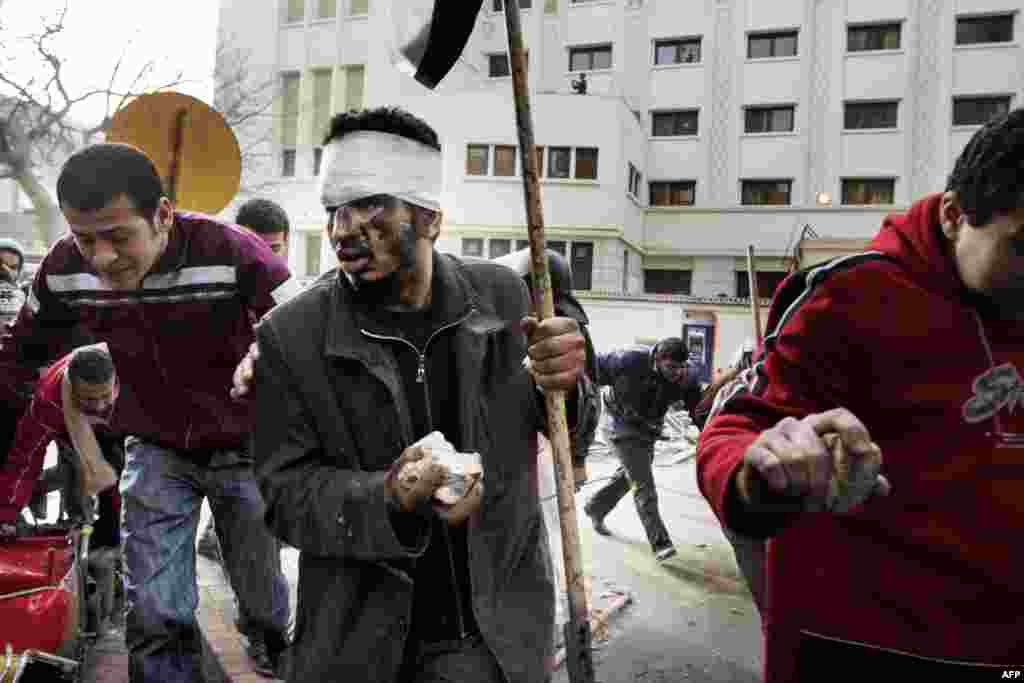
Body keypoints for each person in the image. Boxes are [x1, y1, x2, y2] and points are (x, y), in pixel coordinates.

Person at [230, 106, 593, 683]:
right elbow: (283, 498)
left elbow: (566, 427)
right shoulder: (290, 335)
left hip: (493, 634)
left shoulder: (506, 298)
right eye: (333, 210)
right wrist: (391, 497)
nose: (343, 229)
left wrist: (569, 384)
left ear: (429, 218)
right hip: (359, 641)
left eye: (369, 205)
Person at [697, 108, 1024, 680]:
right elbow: (732, 431)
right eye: (1022, 247)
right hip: (868, 645)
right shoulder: (850, 296)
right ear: (953, 215)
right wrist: (768, 471)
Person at [0, 142, 296, 681]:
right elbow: (17, 363)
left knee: (263, 600)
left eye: (118, 237)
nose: (103, 257)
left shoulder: (232, 250)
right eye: (86, 238)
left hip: (244, 444)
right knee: (157, 611)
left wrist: (265, 354)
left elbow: (304, 329)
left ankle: (273, 640)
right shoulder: (66, 269)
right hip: (155, 448)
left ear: (161, 214)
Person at [197, 197, 291, 560]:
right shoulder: (217, 296)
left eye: (273, 249)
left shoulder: (291, 296)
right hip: (228, 425)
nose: (262, 258)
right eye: (252, 247)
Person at [583, 338, 703, 562]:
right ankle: (661, 543)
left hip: (648, 430)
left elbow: (698, 411)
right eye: (670, 368)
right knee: (644, 485)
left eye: (681, 367)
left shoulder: (687, 378)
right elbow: (588, 367)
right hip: (619, 425)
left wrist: (707, 433)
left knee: (630, 477)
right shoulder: (628, 360)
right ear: (657, 360)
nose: (676, 373)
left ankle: (595, 507)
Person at [0, 343, 119, 535]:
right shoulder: (48, 402)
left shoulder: (135, 372)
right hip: (72, 424)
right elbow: (24, 458)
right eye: (89, 399)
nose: (98, 406)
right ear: (72, 389)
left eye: (104, 396)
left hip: (124, 419)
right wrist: (6, 513)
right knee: (87, 471)